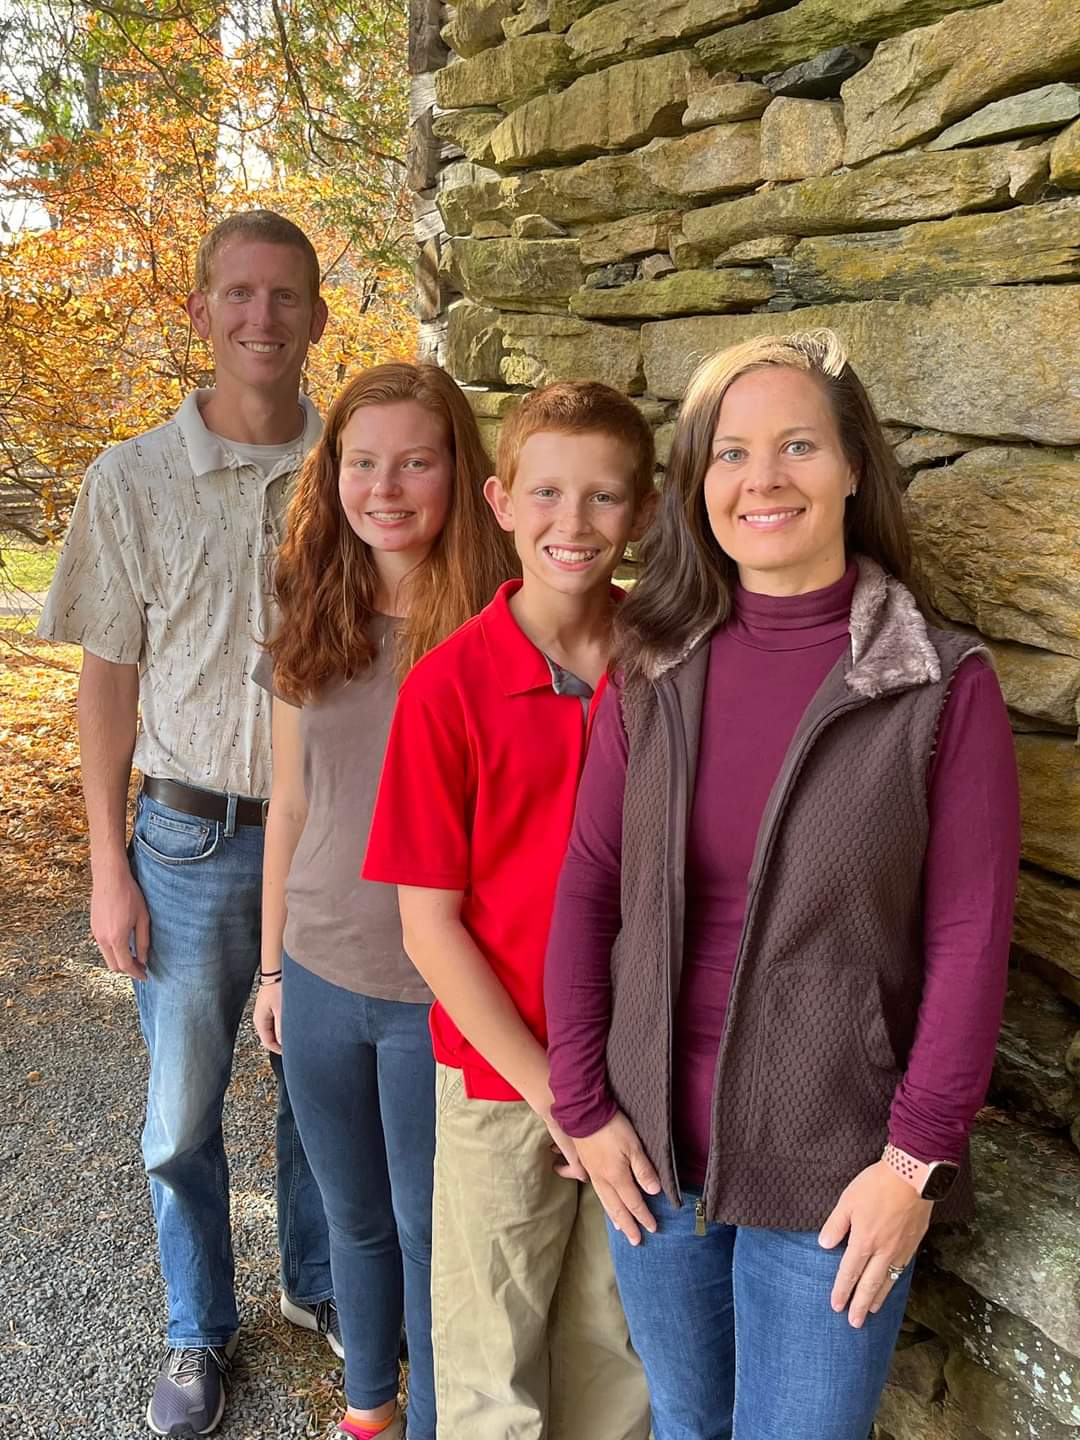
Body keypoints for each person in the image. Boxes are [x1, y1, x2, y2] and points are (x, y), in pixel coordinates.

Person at [543, 330, 1022, 1440]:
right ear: (696, 484)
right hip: (651, 1159)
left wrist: (914, 1165)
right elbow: (589, 887)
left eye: (797, 444)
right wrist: (583, 1102)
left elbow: (968, 943)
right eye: (730, 452)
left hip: (837, 1173)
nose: (762, 478)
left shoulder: (937, 686)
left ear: (854, 464)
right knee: (684, 1423)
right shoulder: (650, 666)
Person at [38, 210, 339, 1438]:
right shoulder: (132, 481)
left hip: (327, 845)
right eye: (238, 294)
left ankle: (320, 1286)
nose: (261, 318)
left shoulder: (357, 469)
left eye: (286, 296)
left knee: (323, 1090)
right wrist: (110, 867)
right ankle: (194, 1325)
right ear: (203, 312)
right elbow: (106, 685)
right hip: (189, 843)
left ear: (319, 315)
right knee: (180, 1113)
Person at [362, 382, 657, 1440]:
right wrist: (558, 1097)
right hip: (500, 1082)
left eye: (603, 498)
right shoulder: (448, 689)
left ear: (647, 514)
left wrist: (607, 1095)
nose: (570, 524)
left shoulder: (667, 668)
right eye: (545, 493)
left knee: (614, 1351)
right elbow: (427, 925)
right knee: (494, 1365)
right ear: (498, 500)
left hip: (641, 1076)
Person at [251, 361, 517, 1440]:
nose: (388, 487)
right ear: (335, 474)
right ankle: (369, 1410)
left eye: (416, 460)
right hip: (316, 970)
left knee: (428, 1227)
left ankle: (435, 1428)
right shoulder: (314, 607)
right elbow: (289, 803)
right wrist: (269, 970)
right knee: (352, 1219)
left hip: (435, 989)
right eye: (363, 463)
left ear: (460, 470)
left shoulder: (501, 624)